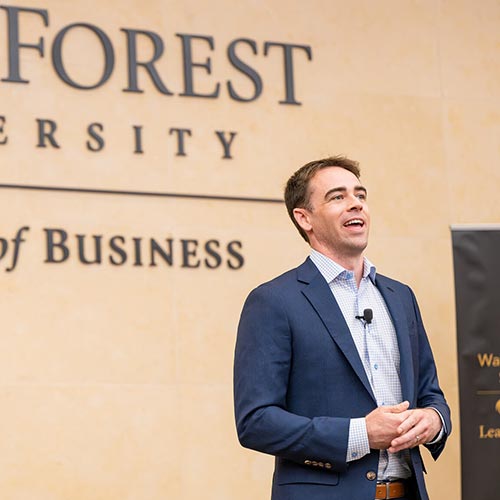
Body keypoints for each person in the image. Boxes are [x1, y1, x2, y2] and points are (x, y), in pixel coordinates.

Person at [233, 156, 451, 500]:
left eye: (360, 195)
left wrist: (434, 420)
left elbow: (431, 394)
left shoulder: (401, 297)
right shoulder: (274, 301)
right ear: (304, 218)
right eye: (337, 197)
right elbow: (256, 422)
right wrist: (362, 434)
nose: (356, 204)